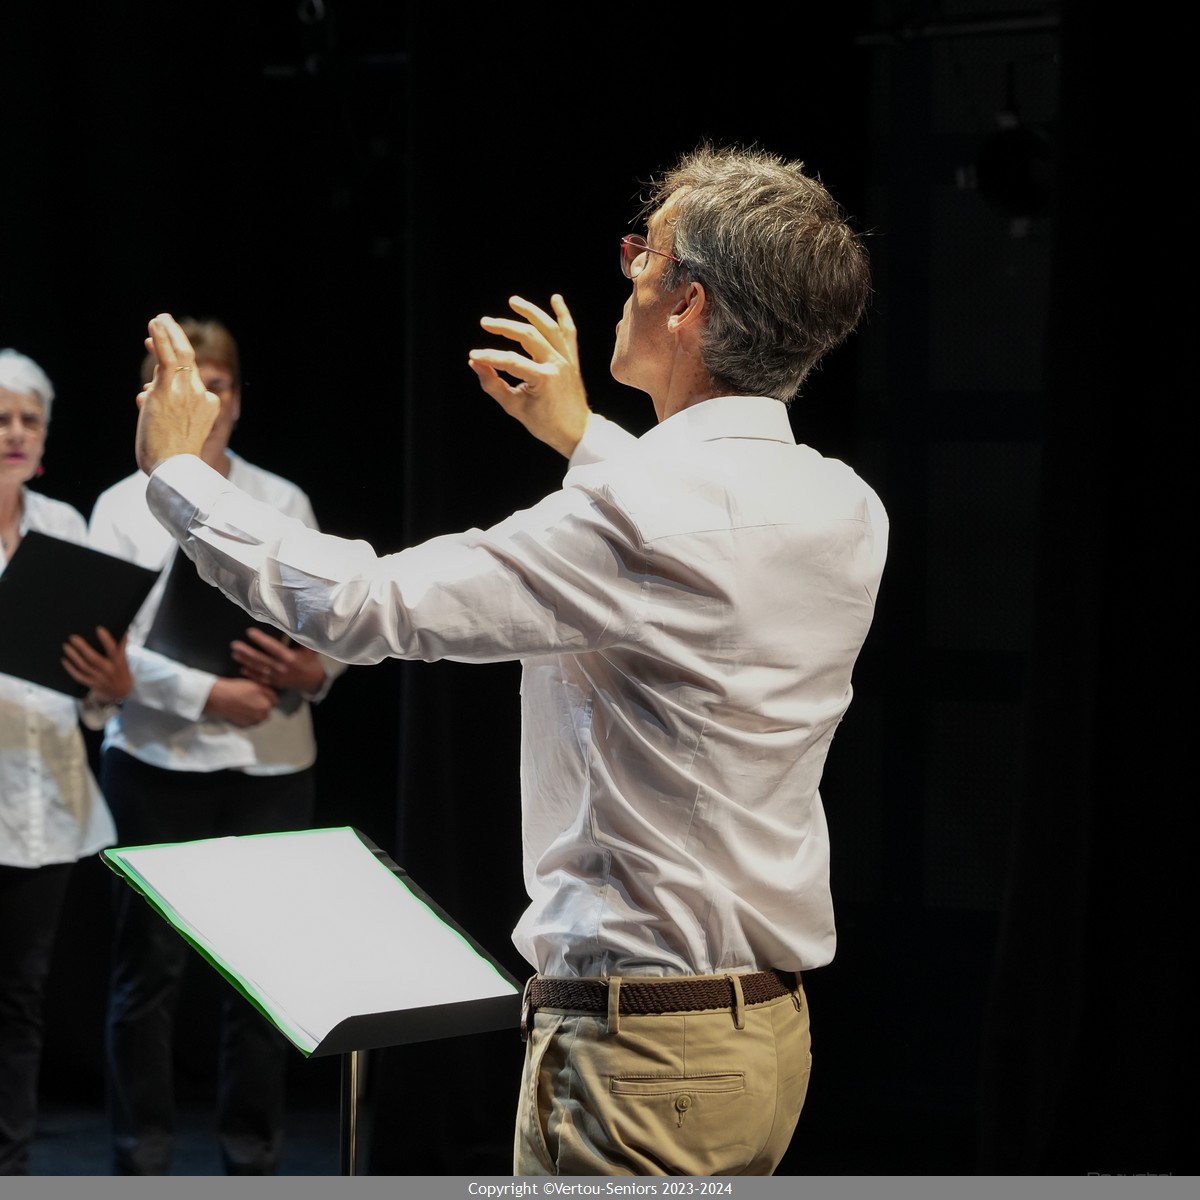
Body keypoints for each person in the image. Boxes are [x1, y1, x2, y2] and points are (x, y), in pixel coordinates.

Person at [132, 145, 887, 1176]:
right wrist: (584, 436)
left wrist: (179, 471)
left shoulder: (638, 513)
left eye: (645, 254)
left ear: (690, 304)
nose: (628, 267)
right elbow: (702, 539)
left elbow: (361, 605)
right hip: (761, 1040)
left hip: (639, 1052)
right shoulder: (845, 503)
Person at [88, 318, 346, 1175]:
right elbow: (108, 645)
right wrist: (208, 694)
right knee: (147, 972)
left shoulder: (282, 499)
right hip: (155, 762)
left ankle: (252, 1157)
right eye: (187, 384)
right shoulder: (119, 507)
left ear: (236, 398)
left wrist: (314, 669)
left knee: (265, 971)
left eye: (220, 385)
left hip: (272, 761)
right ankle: (141, 1160)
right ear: (153, 399)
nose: (207, 400)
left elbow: (336, 613)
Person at [0, 349, 130, 1175]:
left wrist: (109, 689)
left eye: (30, 419)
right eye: (1, 418)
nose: (15, 432)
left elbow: (88, 674)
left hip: (43, 800)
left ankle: (9, 1168)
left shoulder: (63, 527)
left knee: (20, 999)